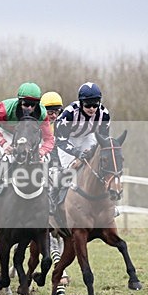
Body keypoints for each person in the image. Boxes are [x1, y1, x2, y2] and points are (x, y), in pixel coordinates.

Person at [51, 82, 119, 217]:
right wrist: (77, 154)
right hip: (67, 139)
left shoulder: (104, 114)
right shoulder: (68, 114)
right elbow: (60, 140)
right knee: (71, 169)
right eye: (88, 105)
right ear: (81, 103)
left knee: (96, 167)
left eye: (95, 104)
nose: (92, 108)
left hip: (88, 137)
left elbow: (103, 142)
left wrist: (91, 152)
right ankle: (54, 199)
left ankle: (109, 204)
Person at [0, 82, 55, 204]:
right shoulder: (5, 108)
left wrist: (42, 152)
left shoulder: (41, 113)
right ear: (20, 101)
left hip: (28, 134)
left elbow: (49, 139)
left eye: (33, 104)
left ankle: (50, 195)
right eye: (26, 104)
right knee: (10, 158)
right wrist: (3, 142)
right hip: (6, 132)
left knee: (43, 160)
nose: (30, 108)